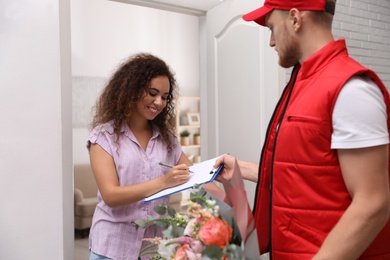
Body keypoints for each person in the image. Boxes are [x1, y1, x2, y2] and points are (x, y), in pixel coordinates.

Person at [214, 0, 390, 259]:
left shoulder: (352, 90)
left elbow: (372, 203)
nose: (271, 42)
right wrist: (242, 169)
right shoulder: (302, 83)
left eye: (272, 28)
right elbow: (305, 170)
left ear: (295, 19)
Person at [87, 53, 195, 260]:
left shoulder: (167, 140)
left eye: (165, 97)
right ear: (131, 91)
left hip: (153, 249)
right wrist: (164, 181)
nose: (159, 102)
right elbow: (111, 196)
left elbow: (195, 175)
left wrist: (233, 203)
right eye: (152, 93)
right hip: (112, 247)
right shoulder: (104, 137)